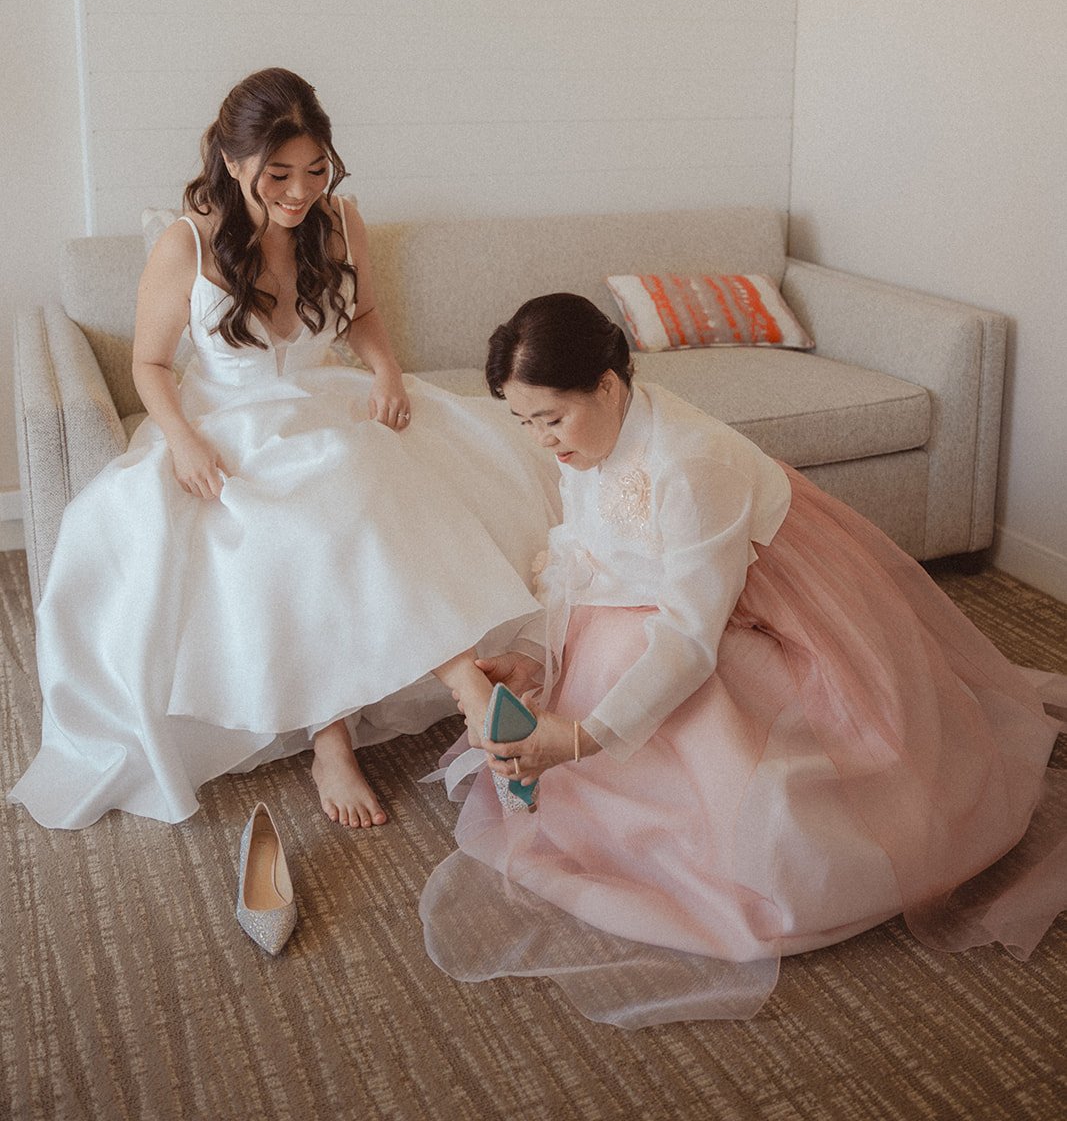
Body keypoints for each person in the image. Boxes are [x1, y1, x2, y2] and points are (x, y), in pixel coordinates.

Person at [420, 292, 1067, 1027]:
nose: (542, 440)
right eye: (523, 422)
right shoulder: (587, 440)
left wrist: (581, 737)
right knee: (610, 655)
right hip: (662, 600)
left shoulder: (691, 465)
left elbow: (690, 636)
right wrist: (537, 655)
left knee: (665, 684)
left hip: (756, 611)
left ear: (606, 384)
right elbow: (581, 554)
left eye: (551, 417)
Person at [10, 69, 558, 831]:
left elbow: (362, 313)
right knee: (305, 504)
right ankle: (399, 708)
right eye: (279, 175)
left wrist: (388, 369)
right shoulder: (187, 243)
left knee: (364, 473)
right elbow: (149, 366)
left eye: (315, 170)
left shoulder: (339, 223)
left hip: (321, 399)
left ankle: (384, 713)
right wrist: (182, 438)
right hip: (224, 420)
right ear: (234, 164)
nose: (300, 192)